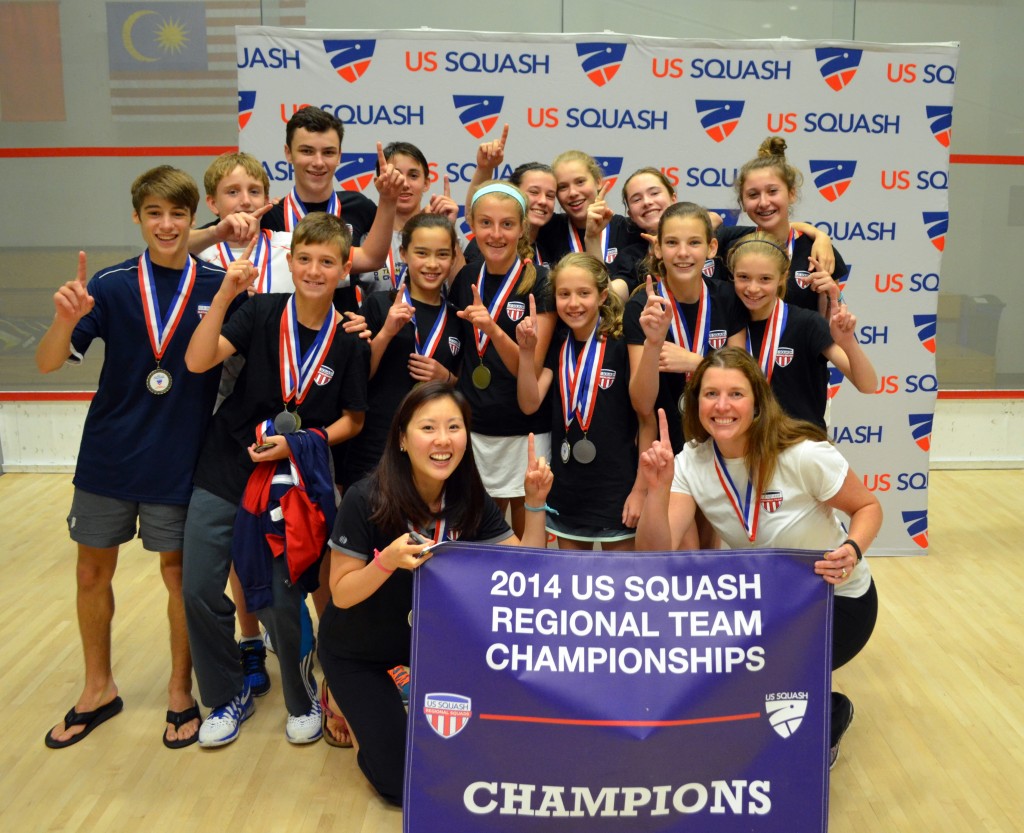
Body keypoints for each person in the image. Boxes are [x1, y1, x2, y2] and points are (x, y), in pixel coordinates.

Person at [36, 165, 228, 749]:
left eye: (177, 214)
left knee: (177, 577)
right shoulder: (113, 284)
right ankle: (98, 688)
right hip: (109, 457)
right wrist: (64, 320)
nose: (166, 225)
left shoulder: (218, 285)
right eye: (154, 214)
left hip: (180, 460)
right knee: (92, 572)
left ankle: (178, 690)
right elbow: (48, 363)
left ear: (194, 218)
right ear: (138, 217)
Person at [636, 347, 881, 768]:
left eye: (736, 394)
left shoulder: (802, 453)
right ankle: (805, 696)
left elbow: (868, 507)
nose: (723, 406)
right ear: (696, 404)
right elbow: (654, 552)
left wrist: (852, 550)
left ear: (757, 402)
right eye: (711, 394)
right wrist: (655, 491)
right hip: (766, 605)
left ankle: (831, 711)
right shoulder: (692, 463)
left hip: (836, 603)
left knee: (764, 682)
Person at [182, 212, 369, 748]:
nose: (314, 270)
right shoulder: (261, 310)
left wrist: (300, 443)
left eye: (326, 262)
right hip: (226, 465)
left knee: (283, 600)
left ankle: (300, 694)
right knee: (197, 586)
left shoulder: (350, 339)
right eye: (304, 259)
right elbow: (198, 362)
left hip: (291, 473)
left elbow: (353, 420)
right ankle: (224, 694)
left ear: (344, 267)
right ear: (289, 263)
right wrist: (225, 296)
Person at [317, 381, 553, 805]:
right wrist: (385, 561)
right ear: (403, 439)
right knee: (399, 785)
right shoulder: (365, 497)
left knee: (483, 762)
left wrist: (535, 503)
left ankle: (396, 699)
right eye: (428, 427)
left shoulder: (470, 497)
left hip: (433, 649)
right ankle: (339, 698)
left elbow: (525, 571)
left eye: (454, 427)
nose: (443, 440)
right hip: (357, 651)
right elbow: (341, 594)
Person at [515, 253, 644, 549]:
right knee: (571, 588)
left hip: (617, 489)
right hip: (568, 488)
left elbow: (644, 418)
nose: (573, 303)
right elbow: (529, 403)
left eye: (583, 293)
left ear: (601, 296)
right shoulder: (559, 342)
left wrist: (640, 489)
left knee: (619, 590)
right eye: (564, 294)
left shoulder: (623, 342)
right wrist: (526, 352)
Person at [449, 181, 555, 537]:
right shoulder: (465, 278)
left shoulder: (541, 283)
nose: (496, 234)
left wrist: (493, 329)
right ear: (472, 224)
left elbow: (530, 367)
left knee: (528, 543)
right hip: (475, 429)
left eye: (507, 224)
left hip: (526, 432)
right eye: (486, 223)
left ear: (523, 227)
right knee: (480, 538)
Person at [341, 214, 463, 489]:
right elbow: (359, 378)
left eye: (442, 254)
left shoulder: (458, 317)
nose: (432, 264)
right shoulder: (378, 305)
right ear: (404, 253)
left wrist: (447, 378)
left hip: (434, 448)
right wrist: (386, 333)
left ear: (453, 257)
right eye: (422, 253)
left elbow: (466, 388)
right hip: (376, 445)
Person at [626, 202, 748, 455]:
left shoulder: (728, 297)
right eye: (671, 243)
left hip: (724, 440)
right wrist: (652, 344)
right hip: (666, 446)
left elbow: (742, 380)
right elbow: (642, 404)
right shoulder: (642, 306)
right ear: (658, 248)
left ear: (711, 247)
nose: (683, 253)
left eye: (694, 243)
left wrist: (697, 363)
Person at [728, 232, 876, 428]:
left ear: (782, 278)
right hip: (747, 444)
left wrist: (848, 344)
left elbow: (868, 385)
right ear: (732, 276)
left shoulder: (807, 323)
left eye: (765, 279)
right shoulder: (728, 325)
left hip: (800, 446)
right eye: (744, 277)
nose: (753, 288)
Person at [718, 136, 844, 316]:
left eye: (772, 192)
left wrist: (833, 297)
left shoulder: (816, 249)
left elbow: (830, 326)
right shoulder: (732, 245)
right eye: (753, 195)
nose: (763, 202)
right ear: (743, 204)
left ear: (791, 194)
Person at [463, 124, 559, 265]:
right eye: (534, 192)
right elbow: (476, 210)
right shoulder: (491, 244)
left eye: (550, 195)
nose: (543, 201)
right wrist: (485, 168)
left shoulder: (556, 235)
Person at [540, 150, 641, 280]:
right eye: (563, 187)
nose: (573, 192)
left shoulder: (628, 230)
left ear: (598, 181)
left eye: (580, 182)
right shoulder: (547, 230)